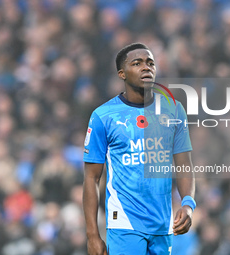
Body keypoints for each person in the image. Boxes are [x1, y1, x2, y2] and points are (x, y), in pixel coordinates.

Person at [83, 42, 196, 255]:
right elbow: (91, 178)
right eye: (137, 63)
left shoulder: (174, 110)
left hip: (163, 224)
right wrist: (92, 235)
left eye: (150, 63)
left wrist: (188, 204)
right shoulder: (103, 116)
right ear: (122, 73)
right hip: (124, 223)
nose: (146, 67)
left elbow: (184, 164)